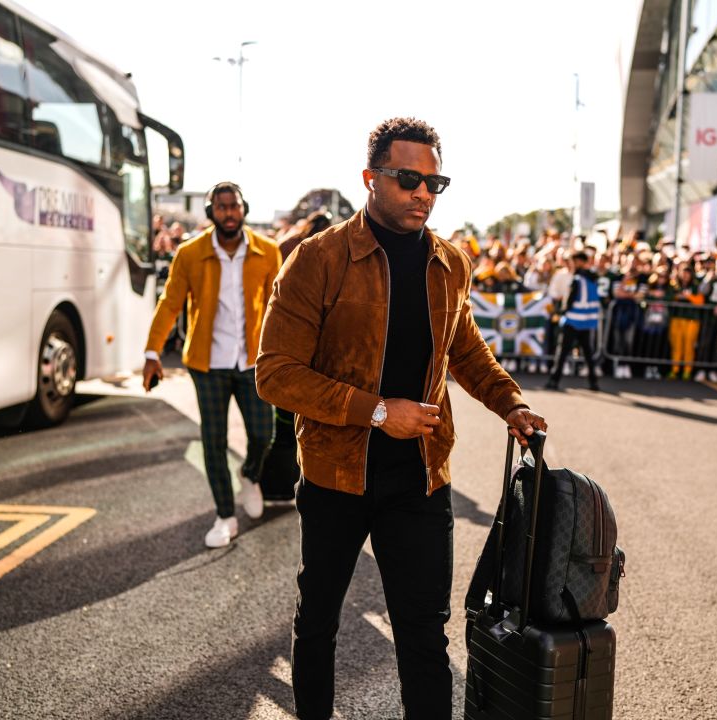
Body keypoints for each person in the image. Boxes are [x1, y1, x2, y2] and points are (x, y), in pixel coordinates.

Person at [255, 117, 547, 720]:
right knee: (318, 625)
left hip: (421, 479)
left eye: (434, 182)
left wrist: (510, 402)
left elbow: (463, 349)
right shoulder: (318, 260)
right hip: (337, 478)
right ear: (370, 177)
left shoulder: (451, 263)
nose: (423, 193)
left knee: (423, 635)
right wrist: (380, 412)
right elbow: (276, 373)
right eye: (409, 178)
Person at [141, 182, 283, 548]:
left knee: (263, 435)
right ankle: (224, 515)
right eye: (220, 207)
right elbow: (170, 304)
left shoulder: (268, 252)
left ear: (244, 208)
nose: (228, 213)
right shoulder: (190, 253)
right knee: (213, 441)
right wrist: (152, 353)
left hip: (253, 360)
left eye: (233, 206)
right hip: (207, 363)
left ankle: (250, 475)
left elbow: (277, 308)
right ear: (210, 212)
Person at [545, 250, 601, 391]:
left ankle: (554, 380)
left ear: (579, 262)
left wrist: (560, 312)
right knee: (588, 353)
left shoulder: (577, 279)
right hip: (587, 321)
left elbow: (569, 301)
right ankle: (593, 382)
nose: (572, 264)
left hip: (572, 320)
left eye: (573, 261)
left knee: (562, 352)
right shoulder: (592, 278)